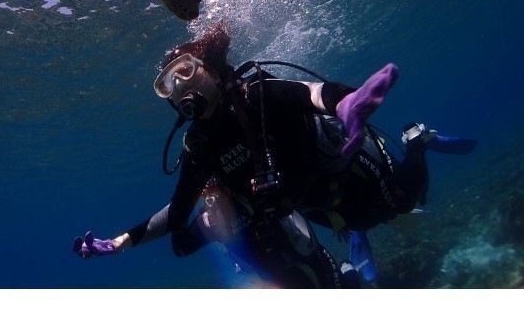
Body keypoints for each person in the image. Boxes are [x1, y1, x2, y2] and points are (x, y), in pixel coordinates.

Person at [72, 21, 475, 287]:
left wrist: (346, 104)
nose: (178, 87)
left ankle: (416, 140)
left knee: (403, 201)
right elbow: (178, 212)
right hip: (315, 204)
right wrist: (120, 242)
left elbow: (314, 94)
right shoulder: (200, 147)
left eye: (186, 71)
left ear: (211, 69)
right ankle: (357, 235)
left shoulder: (259, 94)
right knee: (356, 220)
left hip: (345, 166)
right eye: (166, 84)